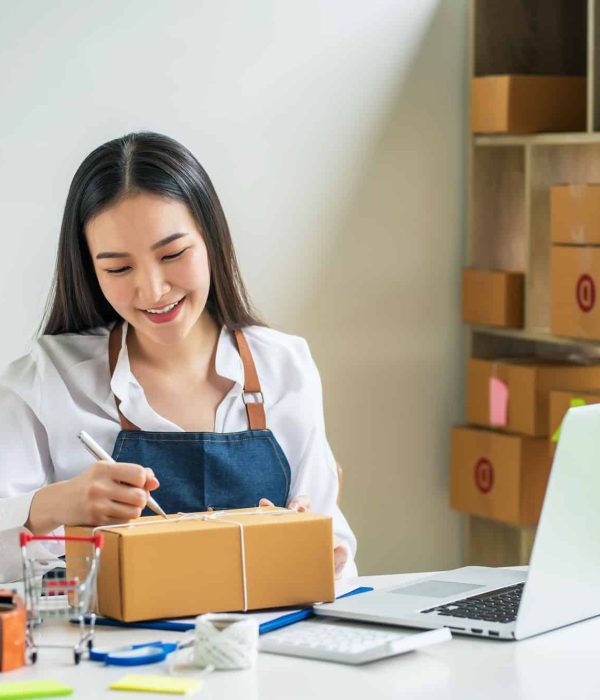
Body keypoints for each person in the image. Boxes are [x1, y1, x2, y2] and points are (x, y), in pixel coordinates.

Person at [0, 131, 357, 582]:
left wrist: (312, 549)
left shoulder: (285, 366)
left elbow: (340, 563)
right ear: (89, 269)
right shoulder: (46, 379)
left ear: (210, 238)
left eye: (172, 254)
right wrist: (52, 506)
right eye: (118, 268)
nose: (152, 290)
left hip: (261, 649)